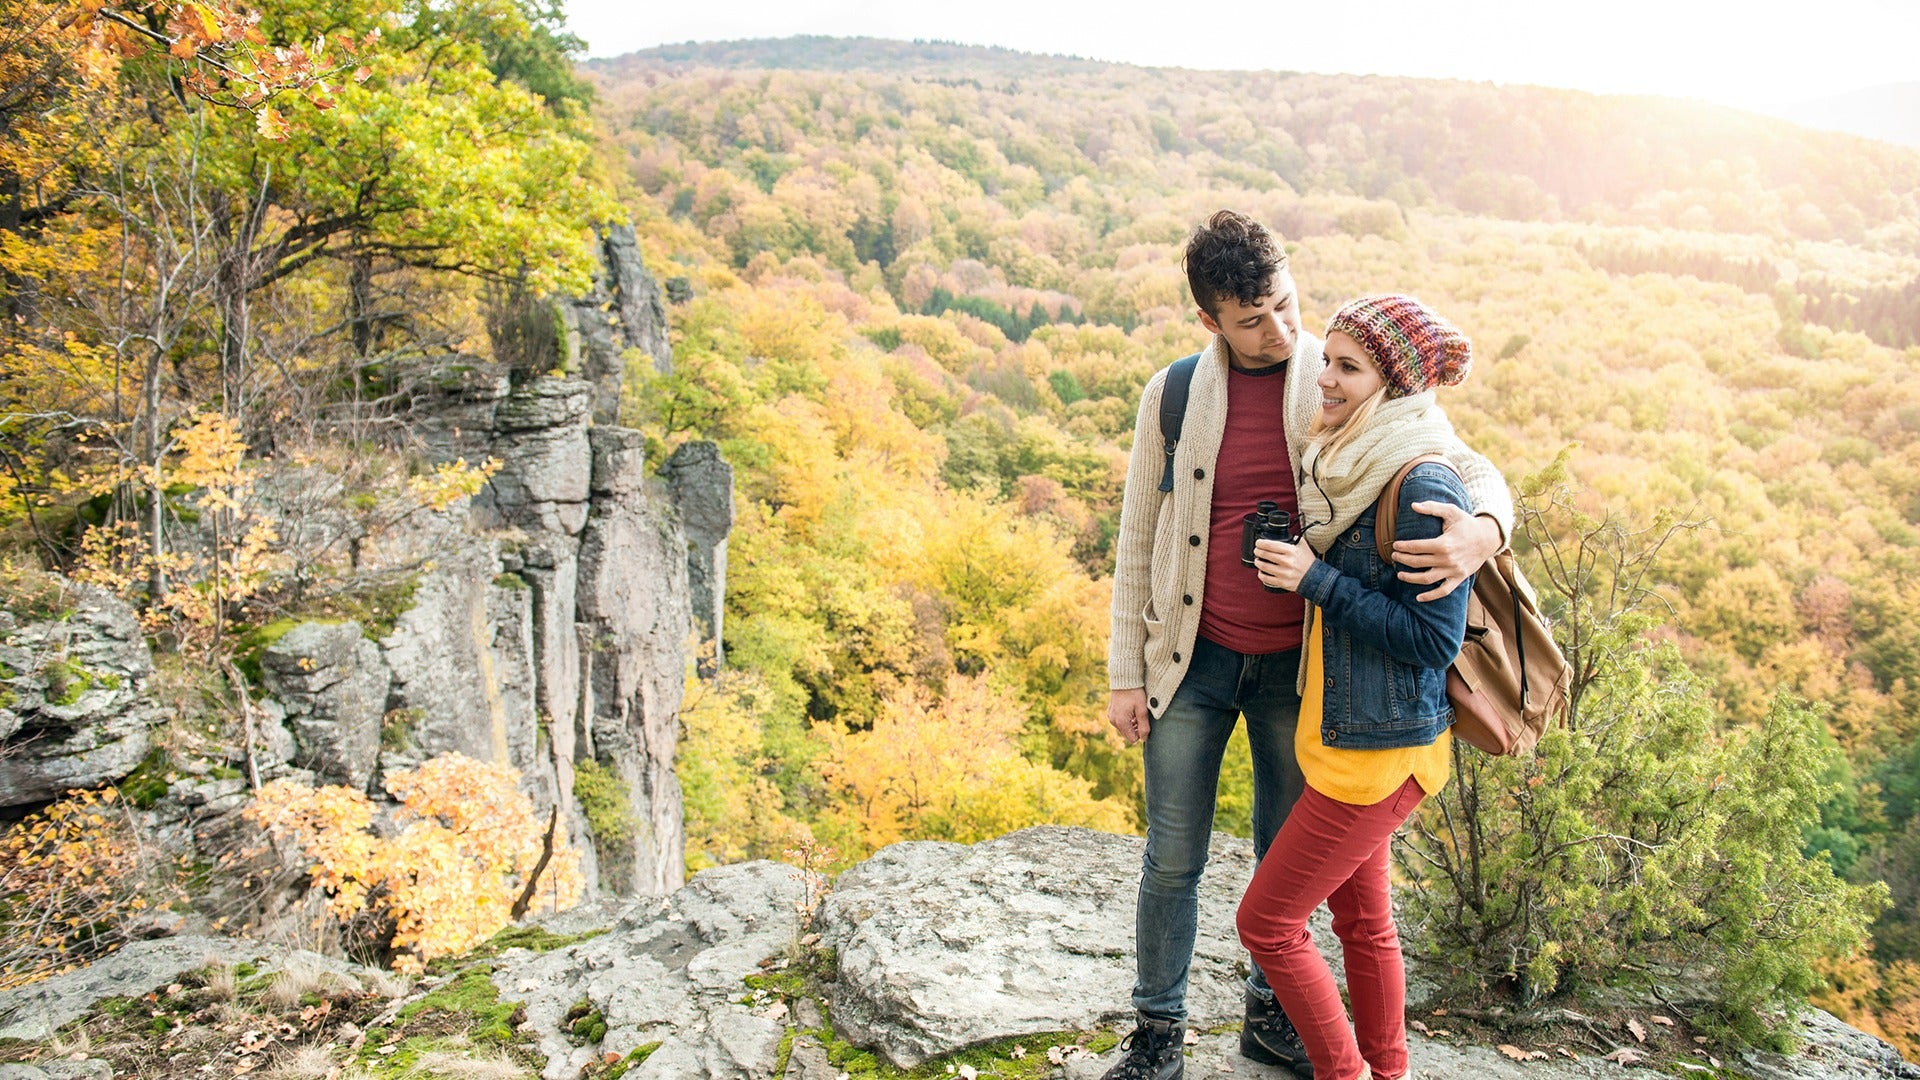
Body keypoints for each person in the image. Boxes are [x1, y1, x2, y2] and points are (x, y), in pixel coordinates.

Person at [1100, 213, 1514, 1080]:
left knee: (1283, 861)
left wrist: (1485, 529)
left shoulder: (1340, 374)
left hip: (1304, 670)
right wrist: (1124, 675)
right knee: (1173, 854)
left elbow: (1452, 455)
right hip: (1193, 660)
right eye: (1252, 319)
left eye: (1288, 305)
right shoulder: (1174, 393)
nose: (1282, 332)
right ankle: (1157, 1032)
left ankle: (1270, 1014)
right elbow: (1137, 536)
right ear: (1209, 321)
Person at [1235, 293, 1480, 1080]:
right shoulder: (1352, 460)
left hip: (1379, 753)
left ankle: (1345, 1074)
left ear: (1394, 383)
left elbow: (1429, 643)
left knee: (1267, 924)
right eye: (1328, 362)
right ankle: (1389, 1069)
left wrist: (1316, 581)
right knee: (1363, 920)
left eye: (1349, 368)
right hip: (1360, 738)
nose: (1327, 381)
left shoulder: (1416, 481)